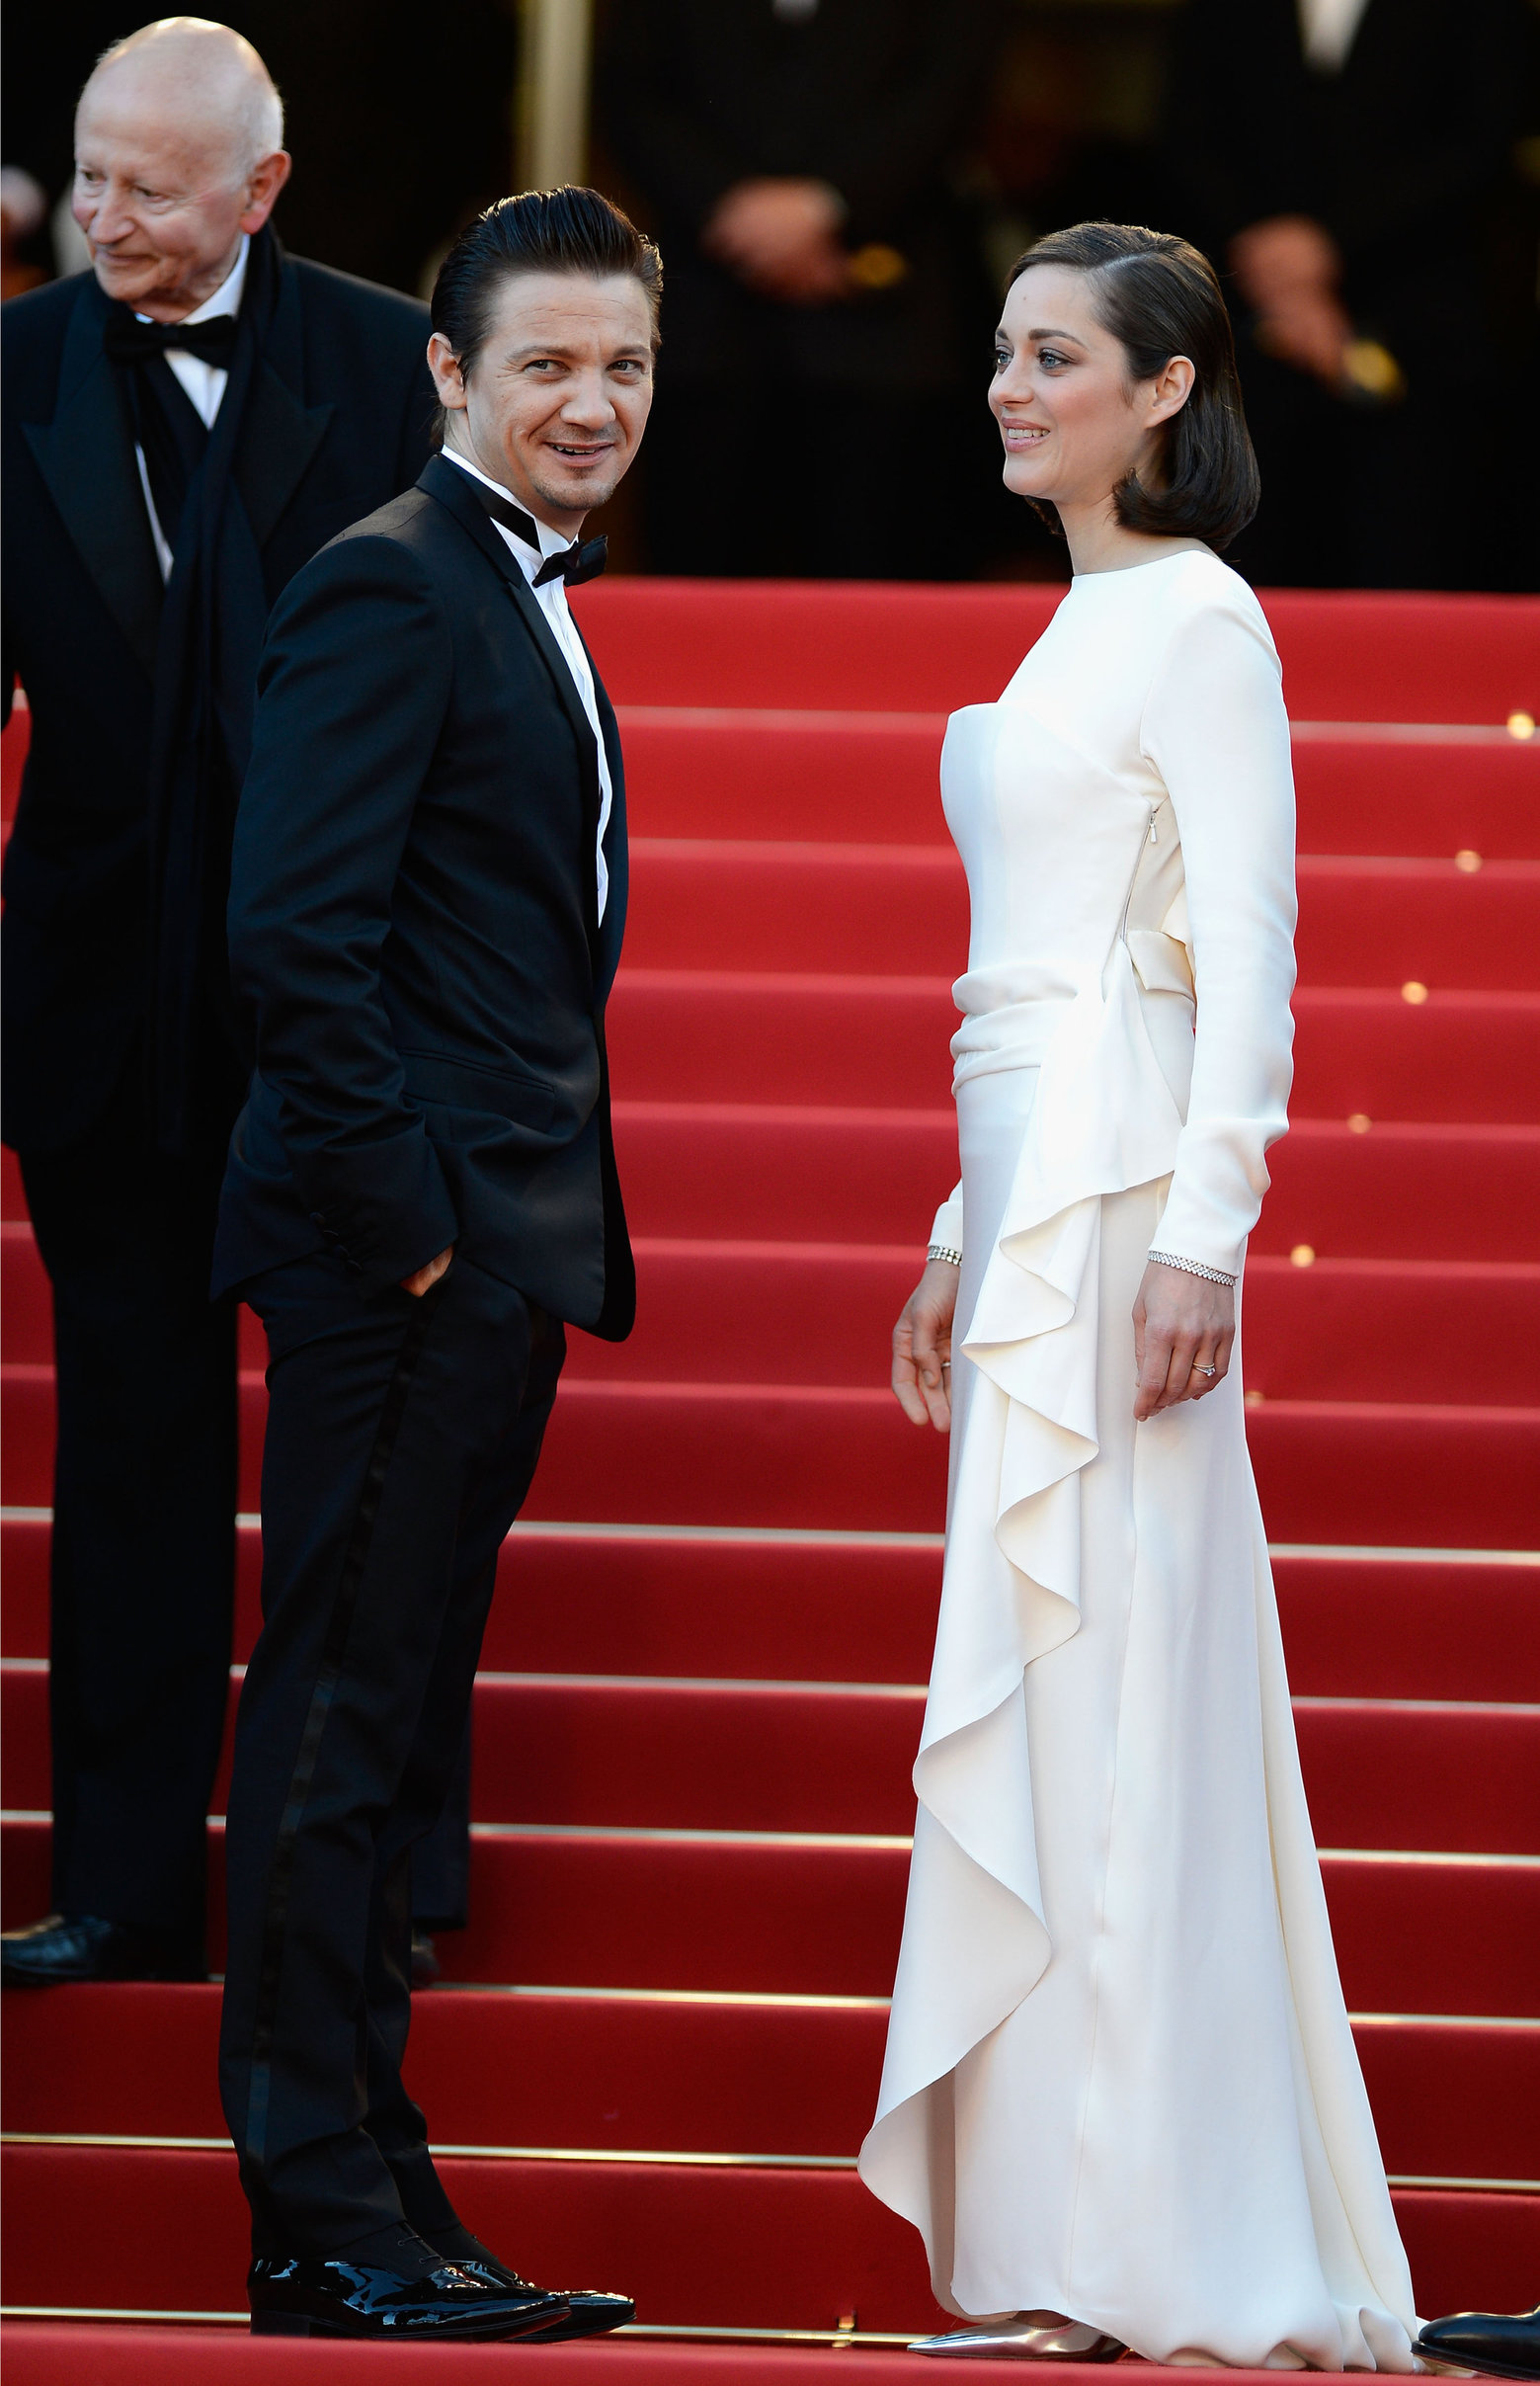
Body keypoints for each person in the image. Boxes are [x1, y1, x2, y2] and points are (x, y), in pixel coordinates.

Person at [859, 222, 1420, 2365]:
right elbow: (1034, 964)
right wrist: (942, 1229)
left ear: (1161, 389)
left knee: (1116, 1695)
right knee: (1053, 1689)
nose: (1008, 386)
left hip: (1121, 1209)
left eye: (1052, 356)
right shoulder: (1074, 626)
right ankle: (1052, 2241)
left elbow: (1245, 953)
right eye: (999, 351)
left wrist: (1209, 1234)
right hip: (1026, 1188)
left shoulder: (1194, 619)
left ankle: (1135, 2245)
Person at [209, 186, 650, 2342]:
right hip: (402, 1249)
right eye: (548, 363)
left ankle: (382, 2186)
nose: (593, 403)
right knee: (336, 1716)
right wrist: (410, 1237)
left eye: (626, 366)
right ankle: (319, 2214)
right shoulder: (393, 585)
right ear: (450, 373)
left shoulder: (511, 589)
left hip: (478, 1249)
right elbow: (293, 932)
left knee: (386, 1718)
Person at [0, 18, 446, 1992]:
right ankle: (122, 1879)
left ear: (261, 192)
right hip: (100, 1002)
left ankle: (365, 1883)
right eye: (88, 173)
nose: (103, 216)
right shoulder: (7, 369)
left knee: (368, 1466)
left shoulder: (386, 362)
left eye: (150, 187)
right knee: (132, 1448)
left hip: (348, 1014)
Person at [596, 0, 1007, 579]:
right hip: (705, 331)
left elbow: (954, 82)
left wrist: (829, 206)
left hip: (884, 333)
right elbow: (631, 91)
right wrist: (731, 209)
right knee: (704, 599)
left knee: (875, 603)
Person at [1163, 0, 1535, 591]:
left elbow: (1488, 140)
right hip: (1246, 336)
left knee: (1412, 569)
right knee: (1246, 573)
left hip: (1425, 337)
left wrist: (1331, 243)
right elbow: (1186, 131)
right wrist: (1271, 263)